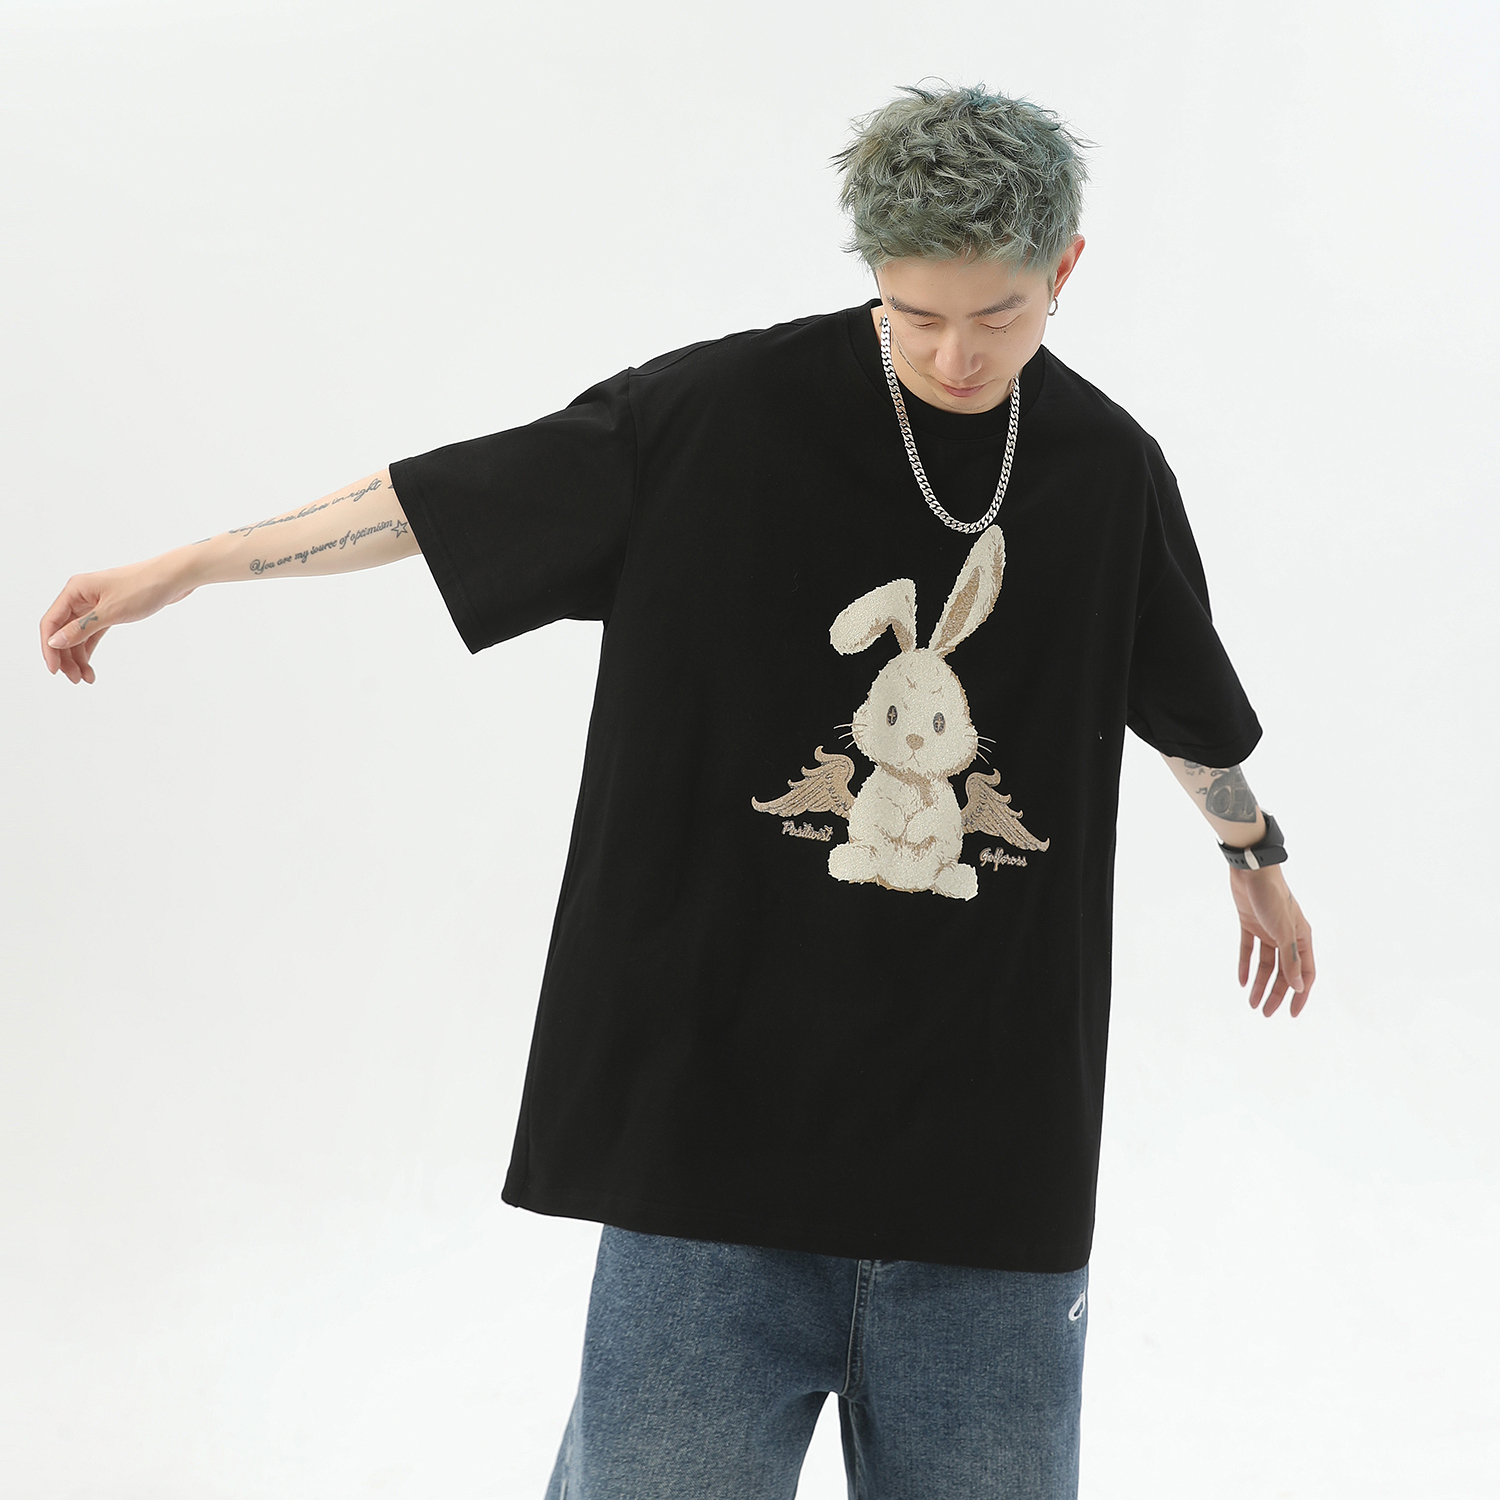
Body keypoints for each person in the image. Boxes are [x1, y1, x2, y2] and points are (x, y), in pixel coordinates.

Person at [40, 82, 1314, 1499]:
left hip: (988, 1158)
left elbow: (1180, 703)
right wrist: (195, 565)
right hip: (716, 1148)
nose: (956, 355)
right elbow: (451, 500)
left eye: (999, 317)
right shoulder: (716, 414)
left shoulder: (1109, 473)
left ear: (1066, 269)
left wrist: (1251, 851)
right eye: (914, 314)